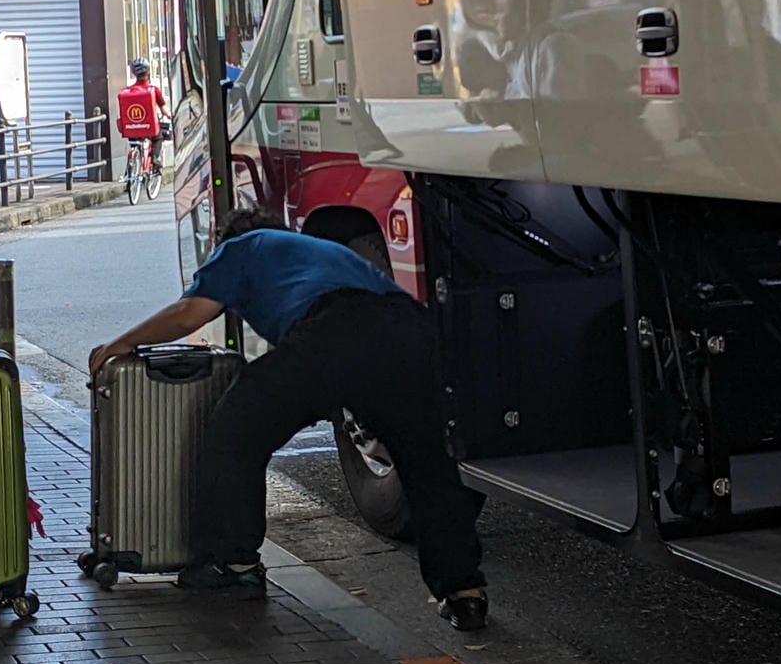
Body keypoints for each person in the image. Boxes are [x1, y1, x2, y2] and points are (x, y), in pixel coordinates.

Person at [89, 207, 487, 630]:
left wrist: (122, 342)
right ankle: (463, 591)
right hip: (411, 330)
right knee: (427, 464)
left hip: (333, 331)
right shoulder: (321, 250)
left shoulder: (241, 247)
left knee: (237, 432)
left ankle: (231, 564)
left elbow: (191, 313)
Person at [116, 58, 168, 170]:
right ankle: (155, 157)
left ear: (134, 74)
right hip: (150, 129)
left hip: (132, 129)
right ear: (148, 73)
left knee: (135, 145)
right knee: (158, 138)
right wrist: (169, 115)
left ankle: (132, 165)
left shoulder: (127, 91)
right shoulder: (154, 90)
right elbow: (164, 110)